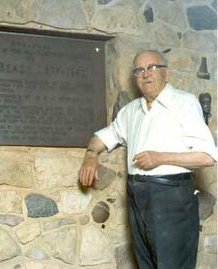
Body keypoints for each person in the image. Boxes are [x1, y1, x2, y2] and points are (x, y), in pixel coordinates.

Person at [79, 50, 218, 269]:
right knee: (146, 264)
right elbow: (102, 137)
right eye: (139, 70)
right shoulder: (131, 110)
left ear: (167, 73)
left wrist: (160, 158)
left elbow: (208, 156)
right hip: (137, 194)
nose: (145, 74)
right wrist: (90, 155)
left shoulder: (184, 103)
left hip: (172, 197)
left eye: (152, 67)